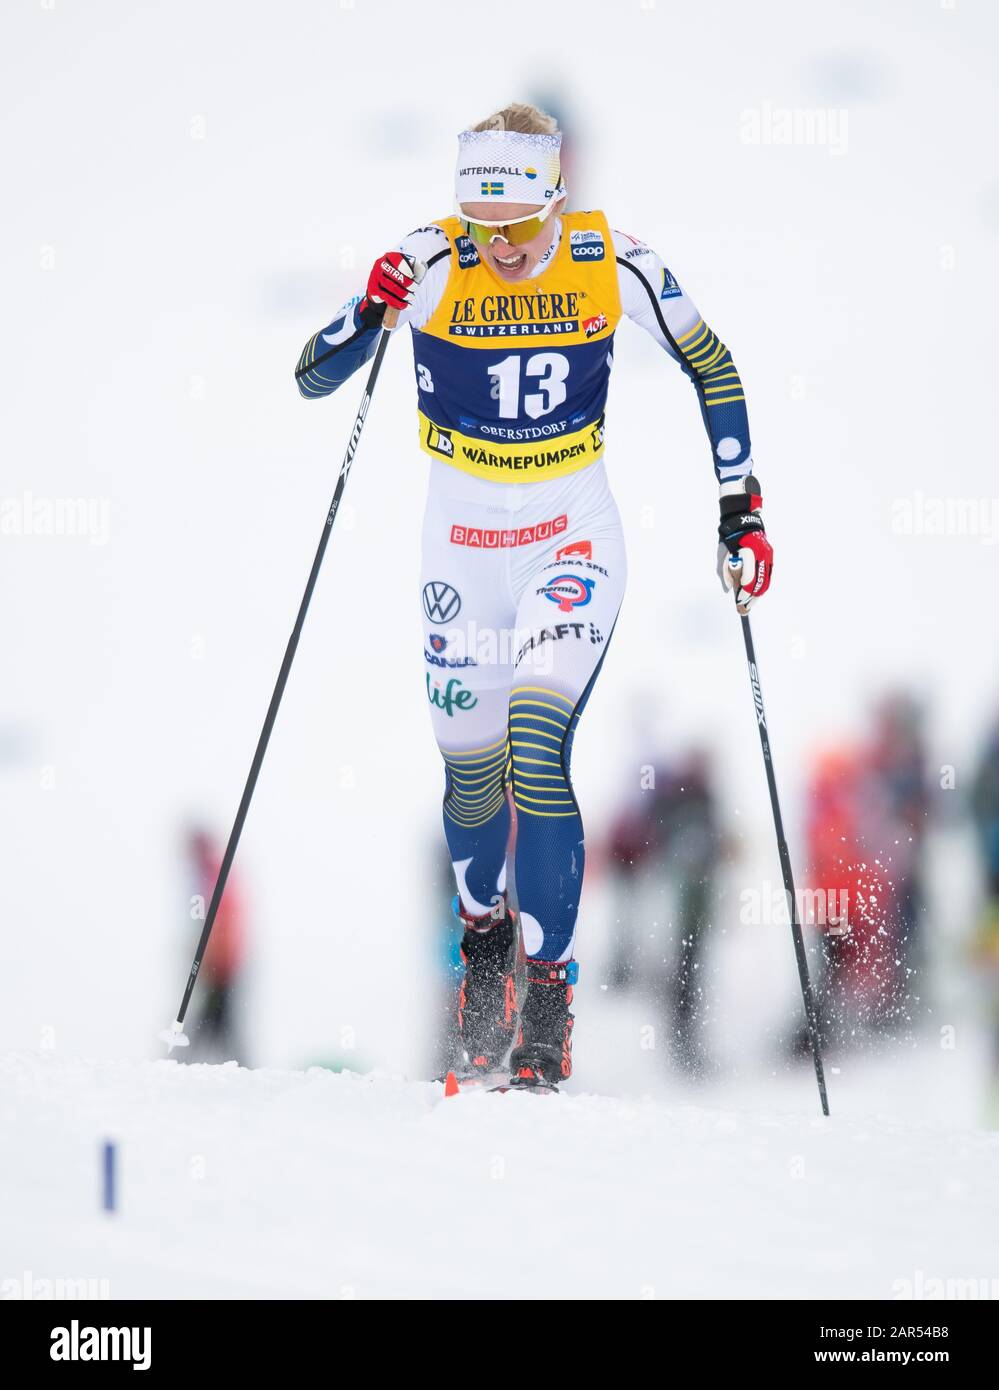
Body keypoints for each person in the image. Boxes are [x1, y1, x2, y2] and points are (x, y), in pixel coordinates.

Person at [295, 103, 772, 1088]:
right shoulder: (431, 259)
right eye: (481, 222)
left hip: (569, 540)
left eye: (516, 225)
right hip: (461, 557)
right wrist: (366, 311)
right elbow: (312, 377)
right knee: (471, 783)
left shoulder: (611, 258)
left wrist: (741, 504)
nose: (500, 247)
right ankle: (483, 950)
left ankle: (548, 999)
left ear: (554, 199)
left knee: (536, 745)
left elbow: (711, 362)